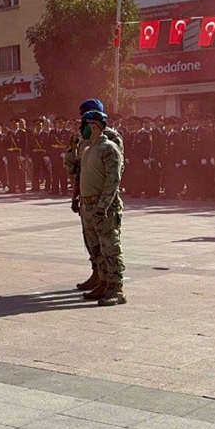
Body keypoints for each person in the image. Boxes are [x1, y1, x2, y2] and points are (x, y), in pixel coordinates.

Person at [64, 99, 124, 295]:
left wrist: (103, 203)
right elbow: (78, 170)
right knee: (92, 244)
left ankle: (112, 284)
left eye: (86, 117)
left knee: (108, 246)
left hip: (103, 199)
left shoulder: (110, 140)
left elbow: (114, 174)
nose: (82, 124)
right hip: (87, 199)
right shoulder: (85, 142)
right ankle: (98, 275)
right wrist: (76, 196)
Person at [77, 109, 126, 306]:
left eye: (84, 125)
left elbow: (113, 180)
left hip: (103, 208)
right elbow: (74, 170)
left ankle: (116, 289)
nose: (81, 129)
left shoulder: (109, 148)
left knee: (110, 249)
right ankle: (103, 283)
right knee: (96, 250)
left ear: (94, 126)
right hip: (88, 206)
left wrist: (103, 205)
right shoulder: (88, 149)